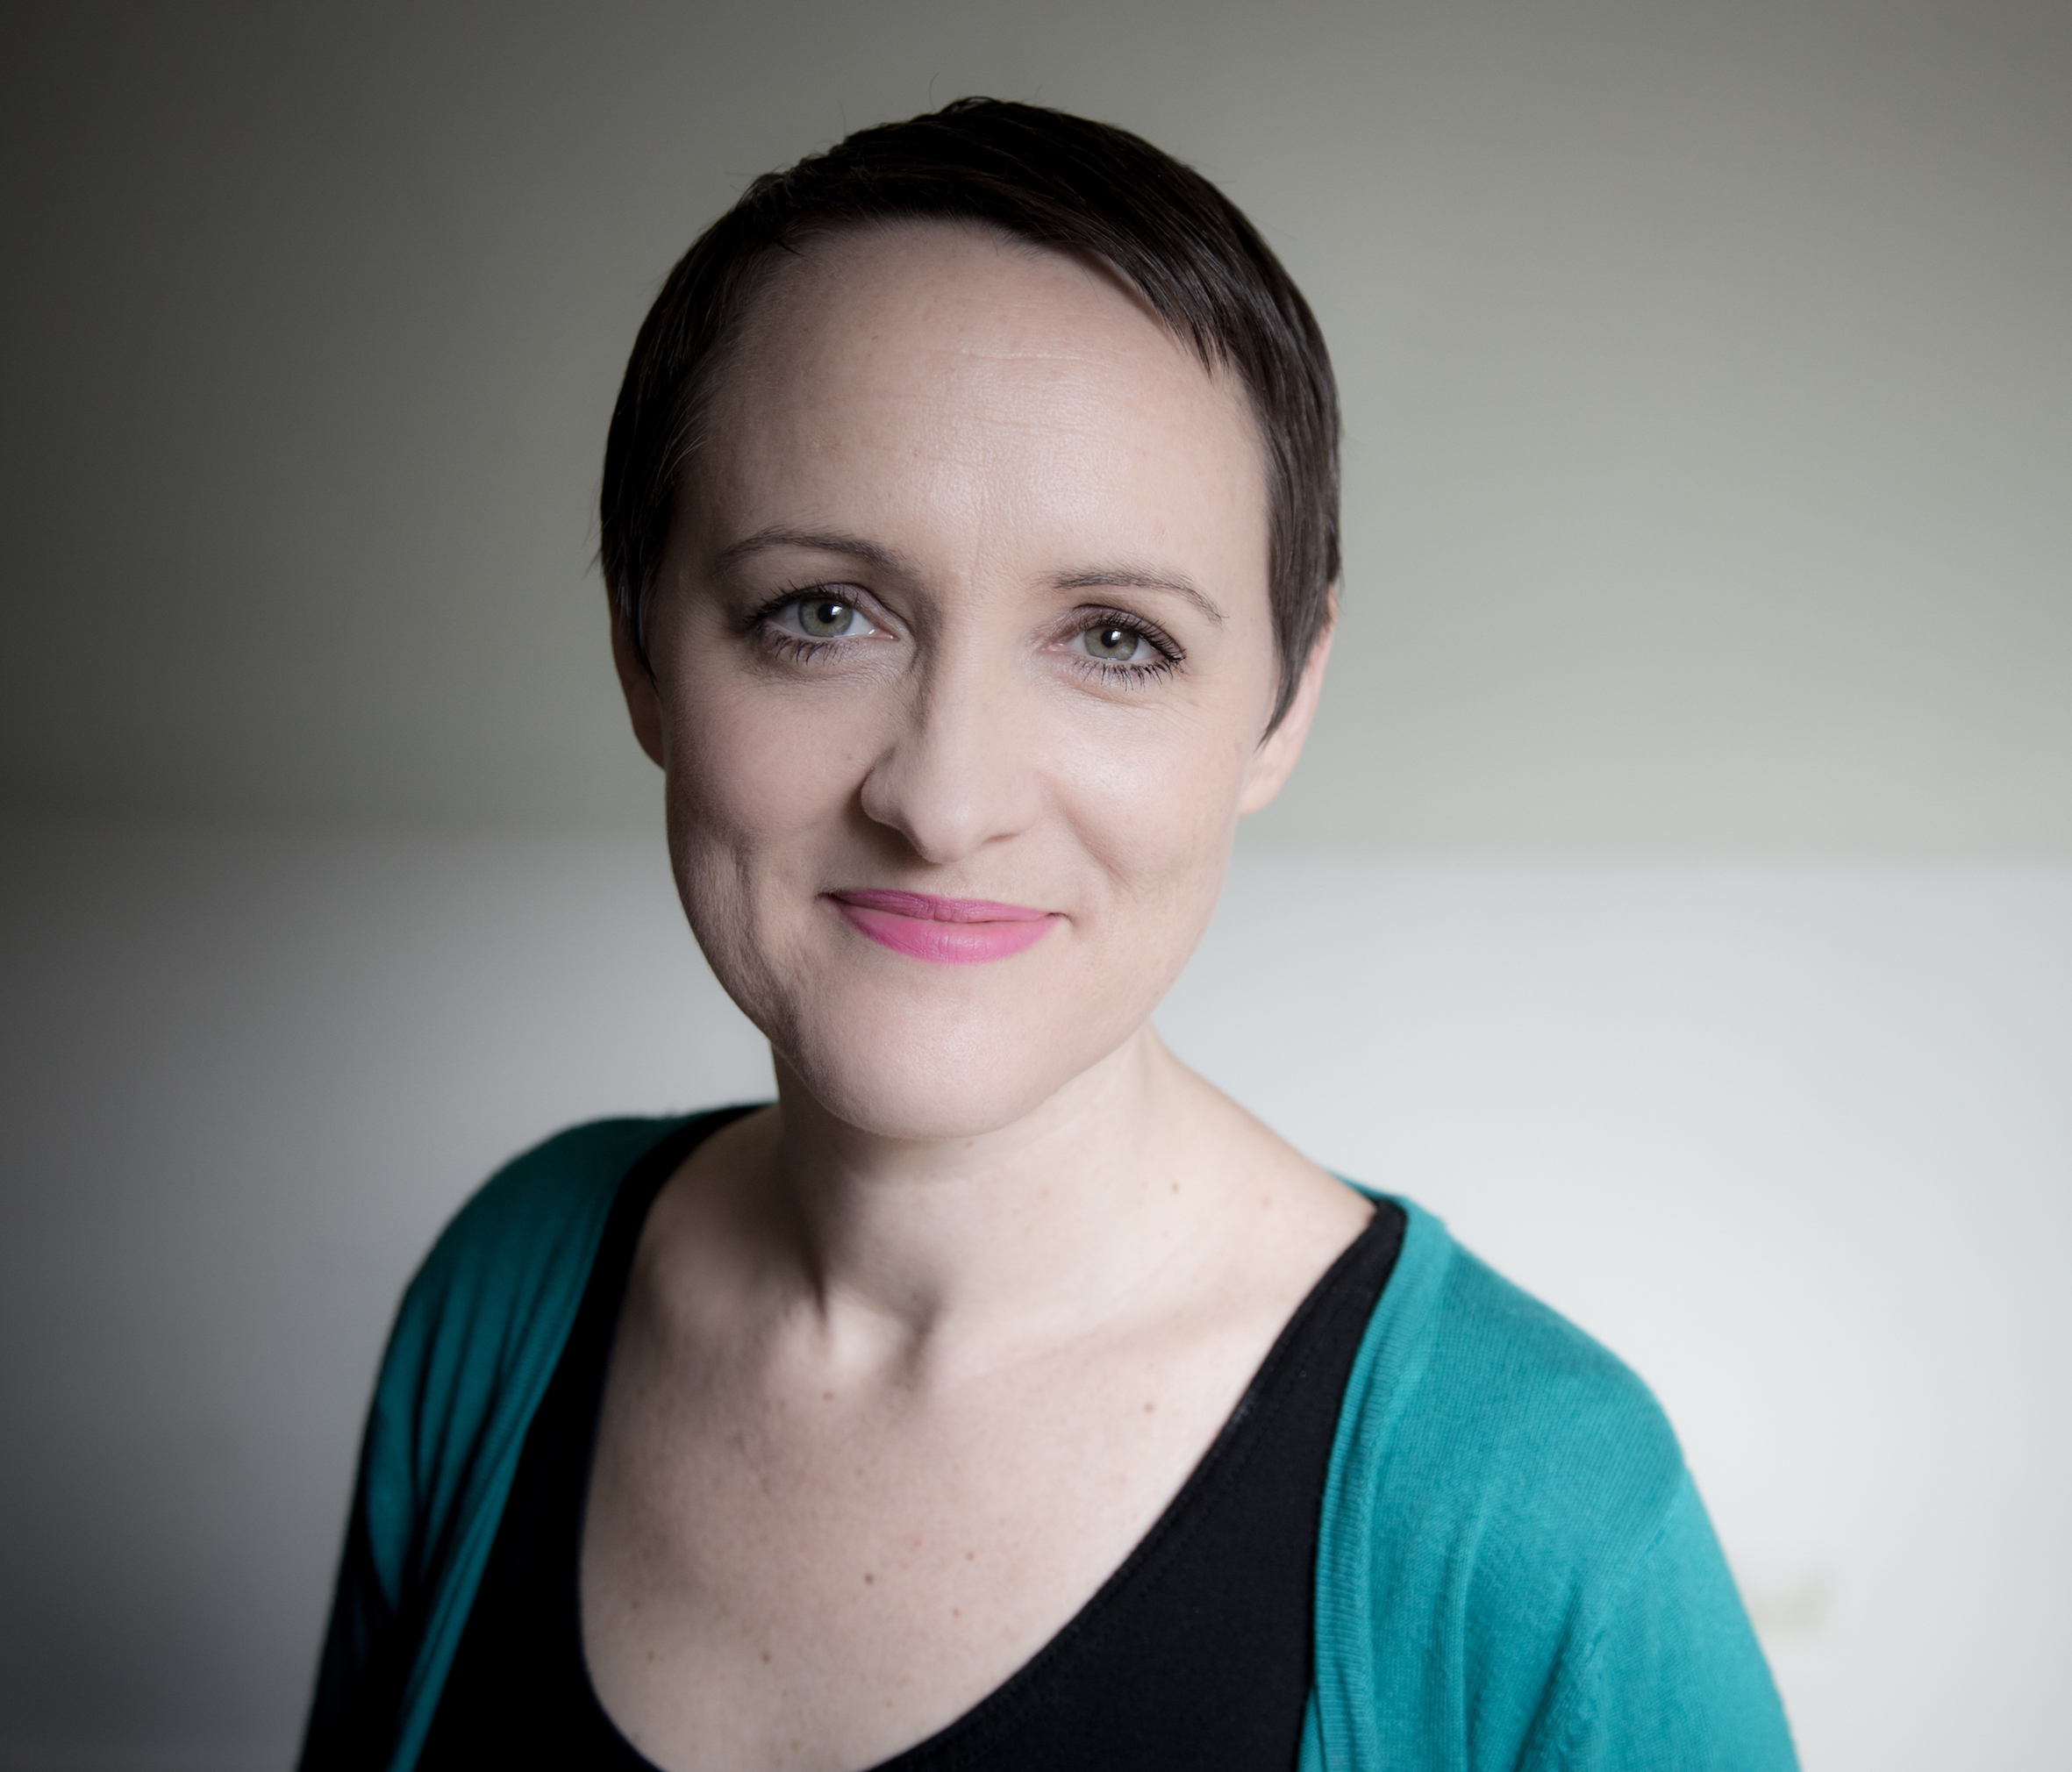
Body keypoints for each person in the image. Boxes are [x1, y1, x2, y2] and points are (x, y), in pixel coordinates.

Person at [301, 99, 1797, 1772]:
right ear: (640, 649)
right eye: (822, 613)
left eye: (1114, 639)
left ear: (1286, 699)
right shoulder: (508, 1284)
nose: (943, 800)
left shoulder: (1541, 1525)